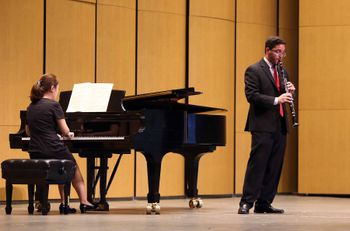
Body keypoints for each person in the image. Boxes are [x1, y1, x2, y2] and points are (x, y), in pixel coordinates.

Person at [238, 36, 296, 214]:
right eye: (277, 51)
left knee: (274, 166)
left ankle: (264, 203)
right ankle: (246, 202)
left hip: (279, 124)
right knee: (258, 164)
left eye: (283, 52)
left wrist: (289, 91)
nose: (281, 56)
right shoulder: (254, 70)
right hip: (262, 125)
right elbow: (252, 96)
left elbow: (282, 94)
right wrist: (277, 99)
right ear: (267, 50)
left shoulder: (283, 71)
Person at [25, 73, 97, 214]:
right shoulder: (54, 105)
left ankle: (64, 203)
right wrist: (68, 134)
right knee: (73, 167)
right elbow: (65, 130)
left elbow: (29, 131)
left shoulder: (31, 106)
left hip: (35, 150)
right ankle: (83, 201)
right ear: (53, 88)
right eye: (57, 88)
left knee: (62, 168)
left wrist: (49, 133)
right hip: (53, 148)